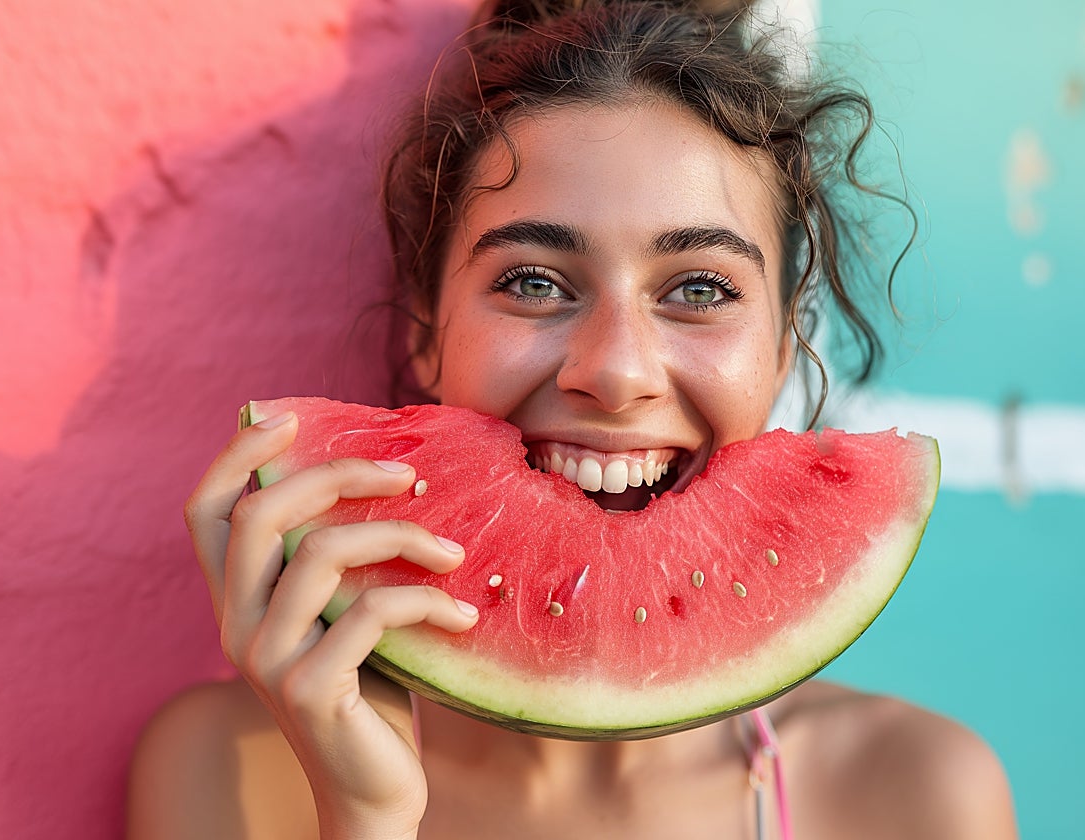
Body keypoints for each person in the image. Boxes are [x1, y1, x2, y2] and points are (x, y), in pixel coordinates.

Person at [127, 1, 1018, 837]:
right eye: (533, 282)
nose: (616, 371)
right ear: (427, 332)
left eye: (700, 289)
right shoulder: (229, 770)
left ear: (785, 349)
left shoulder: (914, 791)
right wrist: (363, 819)